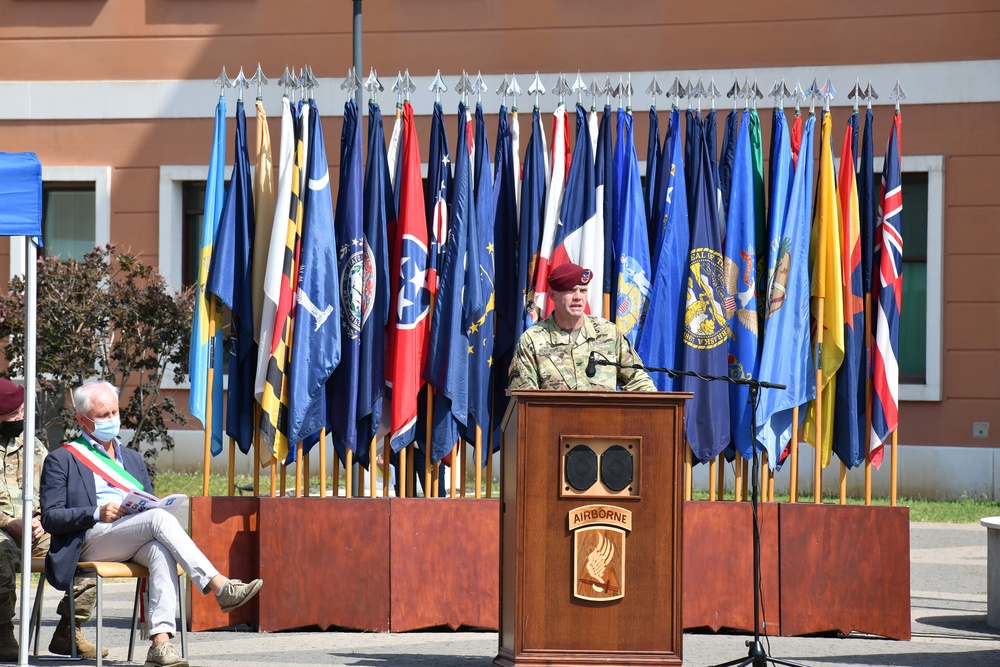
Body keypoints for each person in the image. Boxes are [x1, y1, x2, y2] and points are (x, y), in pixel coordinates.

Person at [40, 381, 262, 667]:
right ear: (82, 419)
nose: (111, 420)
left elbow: (148, 503)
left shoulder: (131, 458)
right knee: (159, 519)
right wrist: (96, 512)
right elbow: (50, 517)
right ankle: (219, 586)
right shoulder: (63, 459)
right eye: (102, 415)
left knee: (160, 548)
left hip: (131, 535)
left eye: (113, 412)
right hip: (89, 540)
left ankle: (161, 643)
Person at [0, 378, 108, 661]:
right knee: (0, 552)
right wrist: (7, 523)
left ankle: (69, 630)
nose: (21, 418)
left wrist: (41, 519)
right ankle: (2, 634)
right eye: (13, 415)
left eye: (22, 411)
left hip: (37, 529)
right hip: (3, 531)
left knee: (84, 545)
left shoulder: (32, 446)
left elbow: (52, 489)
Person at [509, 263, 656, 392]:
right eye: (571, 291)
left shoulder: (608, 333)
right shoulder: (532, 340)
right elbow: (524, 400)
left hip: (606, 422)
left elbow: (638, 380)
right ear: (553, 295)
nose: (578, 297)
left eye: (583, 290)